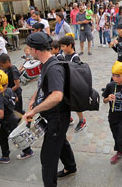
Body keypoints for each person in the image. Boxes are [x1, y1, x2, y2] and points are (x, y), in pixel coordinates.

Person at [23, 32, 77, 187]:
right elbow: (44, 85)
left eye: (28, 48)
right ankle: (70, 167)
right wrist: (35, 97)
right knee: (60, 142)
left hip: (57, 118)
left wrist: (34, 111)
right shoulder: (47, 63)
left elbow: (57, 96)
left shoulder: (53, 68)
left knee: (48, 157)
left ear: (36, 49)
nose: (27, 51)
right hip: (56, 117)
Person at [0, 70, 34, 163]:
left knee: (13, 137)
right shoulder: (9, 90)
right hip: (12, 116)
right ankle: (20, 152)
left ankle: (14, 155)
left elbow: (0, 115)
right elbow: (16, 99)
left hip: (7, 121)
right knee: (8, 136)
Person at [102, 61, 122, 171]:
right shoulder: (110, 85)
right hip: (112, 117)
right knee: (115, 136)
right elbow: (104, 100)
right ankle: (119, 151)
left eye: (118, 76)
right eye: (113, 75)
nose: (115, 78)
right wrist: (108, 98)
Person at [59, 36, 87, 132]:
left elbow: (76, 72)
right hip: (66, 84)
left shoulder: (75, 58)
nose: (62, 49)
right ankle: (69, 118)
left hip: (73, 85)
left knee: (76, 105)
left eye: (63, 46)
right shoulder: (65, 55)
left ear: (70, 45)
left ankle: (82, 120)